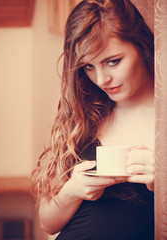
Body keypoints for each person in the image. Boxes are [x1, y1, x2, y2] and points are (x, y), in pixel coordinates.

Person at [31, 0, 155, 239]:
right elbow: (48, 224)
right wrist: (73, 191)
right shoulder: (87, 117)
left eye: (113, 61)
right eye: (88, 67)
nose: (101, 79)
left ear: (142, 46)